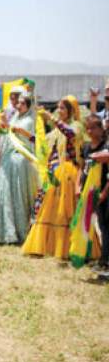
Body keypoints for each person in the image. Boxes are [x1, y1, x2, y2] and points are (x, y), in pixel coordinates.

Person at [23, 96, 85, 259]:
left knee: (63, 211)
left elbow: (71, 134)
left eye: (62, 108)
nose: (59, 111)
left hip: (68, 175)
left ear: (71, 110)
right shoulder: (56, 131)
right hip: (53, 173)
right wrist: (22, 133)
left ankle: (67, 247)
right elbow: (42, 144)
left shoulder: (76, 126)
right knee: (44, 208)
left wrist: (50, 118)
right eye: (58, 107)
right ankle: (44, 245)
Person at [0, 94, 39, 244]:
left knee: (17, 196)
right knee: (4, 192)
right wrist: (0, 123)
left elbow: (20, 133)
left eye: (22, 103)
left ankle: (18, 230)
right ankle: (1, 231)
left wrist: (6, 125)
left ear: (28, 106)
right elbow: (5, 134)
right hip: (7, 159)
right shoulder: (15, 117)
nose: (18, 105)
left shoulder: (28, 121)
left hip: (20, 161)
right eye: (18, 103)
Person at [79, 115, 108, 269]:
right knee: (87, 224)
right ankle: (86, 254)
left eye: (93, 128)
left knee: (103, 226)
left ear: (101, 129)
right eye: (87, 128)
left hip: (101, 192)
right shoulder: (85, 147)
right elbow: (81, 167)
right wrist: (78, 186)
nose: (89, 131)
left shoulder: (105, 147)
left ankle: (104, 260)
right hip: (87, 191)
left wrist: (103, 193)